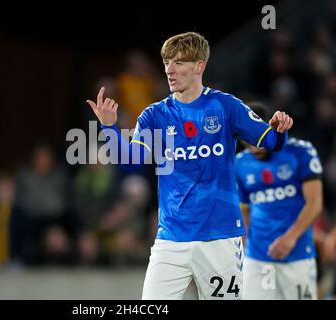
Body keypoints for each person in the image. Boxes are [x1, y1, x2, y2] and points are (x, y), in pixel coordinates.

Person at [86, 32, 293, 300]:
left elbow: (271, 141)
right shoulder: (154, 115)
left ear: (199, 66)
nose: (170, 70)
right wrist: (109, 127)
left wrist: (281, 128)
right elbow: (131, 159)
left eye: (179, 63)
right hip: (171, 239)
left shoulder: (225, 106)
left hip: (219, 238)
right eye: (166, 63)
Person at [235, 102, 323, 299]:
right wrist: (245, 242)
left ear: (267, 128)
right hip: (258, 258)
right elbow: (244, 209)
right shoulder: (239, 164)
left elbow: (315, 203)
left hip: (297, 254)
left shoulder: (301, 152)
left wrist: (290, 237)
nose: (252, 142)